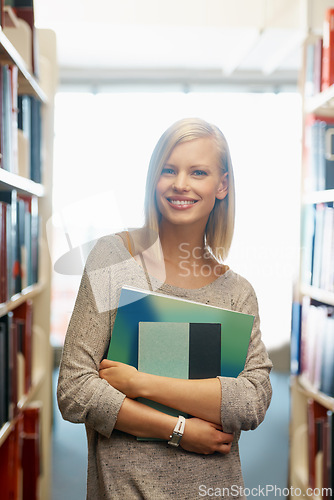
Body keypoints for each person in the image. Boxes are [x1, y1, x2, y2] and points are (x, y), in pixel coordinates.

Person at [57, 117, 273, 499]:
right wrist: (179, 430)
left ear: (222, 185)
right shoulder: (116, 258)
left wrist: (142, 383)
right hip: (128, 489)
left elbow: (253, 401)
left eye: (199, 171)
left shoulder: (237, 291)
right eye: (169, 170)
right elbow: (75, 390)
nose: (181, 184)